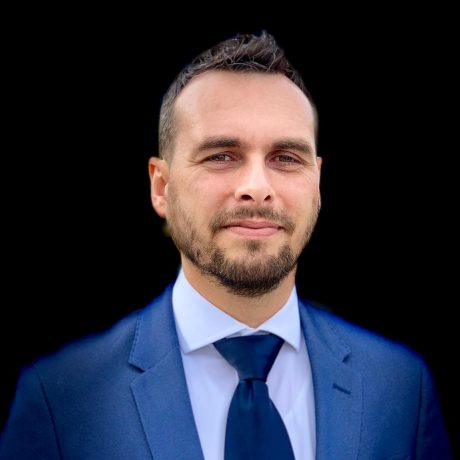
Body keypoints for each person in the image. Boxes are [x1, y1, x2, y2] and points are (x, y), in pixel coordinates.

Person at [0, 31, 451, 460]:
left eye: (285, 158)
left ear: (318, 183)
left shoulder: (399, 387)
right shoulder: (63, 399)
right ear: (161, 187)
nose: (257, 188)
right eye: (221, 156)